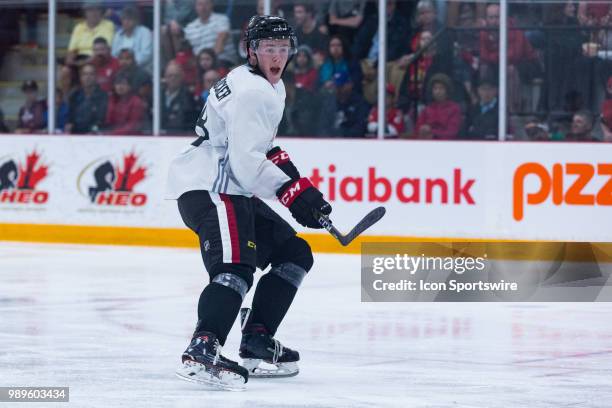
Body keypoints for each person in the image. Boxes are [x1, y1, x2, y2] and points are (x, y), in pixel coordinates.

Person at [166, 15, 331, 390]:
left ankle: (256, 338)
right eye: (269, 48)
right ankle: (202, 348)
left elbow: (264, 149)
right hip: (212, 186)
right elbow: (245, 164)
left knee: (294, 254)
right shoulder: (253, 91)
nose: (278, 56)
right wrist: (292, 195)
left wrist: (302, 189)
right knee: (235, 269)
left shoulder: (267, 85)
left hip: (229, 186)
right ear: (252, 51)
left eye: (283, 49)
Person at [183, 0, 237, 67]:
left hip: (221, 60)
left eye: (206, 4)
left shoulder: (222, 20)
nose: (203, 7)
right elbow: (186, 50)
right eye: (200, 4)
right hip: (199, 63)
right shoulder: (190, 27)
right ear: (195, 7)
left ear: (212, 5)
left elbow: (220, 43)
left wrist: (207, 60)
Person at [66, 0, 115, 66]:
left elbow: (105, 49)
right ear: (85, 12)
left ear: (101, 11)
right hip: (80, 59)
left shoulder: (108, 25)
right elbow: (72, 50)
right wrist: (70, 60)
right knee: (65, 70)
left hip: (99, 59)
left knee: (88, 69)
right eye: (90, 10)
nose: (94, 13)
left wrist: (85, 62)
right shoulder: (78, 27)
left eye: (97, 9)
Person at [415, 73, 462, 139]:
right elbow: (418, 129)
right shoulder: (427, 109)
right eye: (435, 88)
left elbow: (452, 132)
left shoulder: (454, 109)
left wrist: (432, 132)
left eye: (441, 88)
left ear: (447, 91)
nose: (437, 91)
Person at [65, 64, 108, 134]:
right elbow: (70, 118)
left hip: (94, 135)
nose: (88, 77)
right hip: (75, 135)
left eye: (91, 74)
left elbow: (101, 120)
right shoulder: (74, 95)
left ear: (96, 77)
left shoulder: (103, 96)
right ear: (81, 77)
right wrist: (69, 125)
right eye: (85, 74)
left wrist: (93, 131)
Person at [111, 5, 153, 72]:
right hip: (121, 69)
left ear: (136, 20)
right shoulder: (118, 35)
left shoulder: (144, 32)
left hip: (140, 70)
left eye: (129, 19)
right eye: (124, 19)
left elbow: (146, 55)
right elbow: (114, 55)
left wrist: (130, 63)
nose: (126, 22)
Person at [161, 61, 196, 134]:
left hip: (179, 137)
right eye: (170, 75)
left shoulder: (188, 97)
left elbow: (189, 122)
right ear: (165, 77)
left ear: (181, 77)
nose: (173, 78)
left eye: (176, 76)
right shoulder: (158, 96)